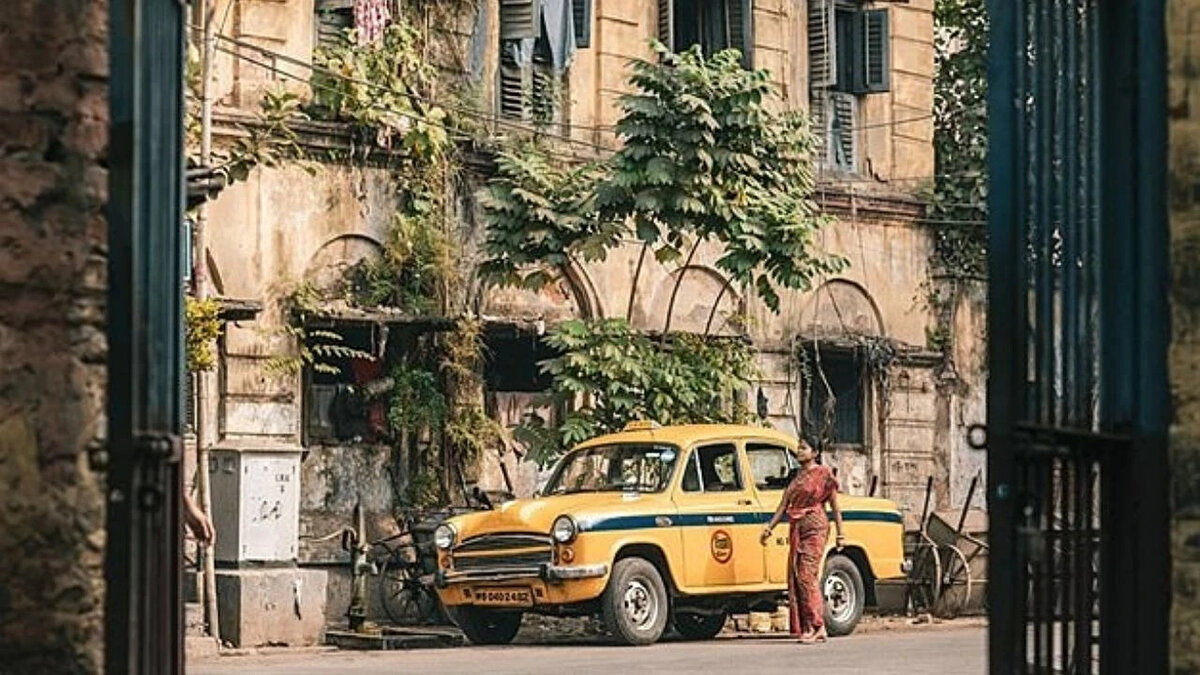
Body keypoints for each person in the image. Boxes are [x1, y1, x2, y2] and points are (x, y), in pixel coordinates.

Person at [759, 441, 845, 644]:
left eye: (803, 448)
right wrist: (769, 528)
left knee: (807, 575)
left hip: (815, 526)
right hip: (797, 528)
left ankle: (818, 626)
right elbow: (783, 505)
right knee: (797, 577)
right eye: (798, 447)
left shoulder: (823, 474)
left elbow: (834, 505)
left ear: (814, 453)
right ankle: (807, 626)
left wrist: (841, 533)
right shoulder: (796, 477)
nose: (799, 451)